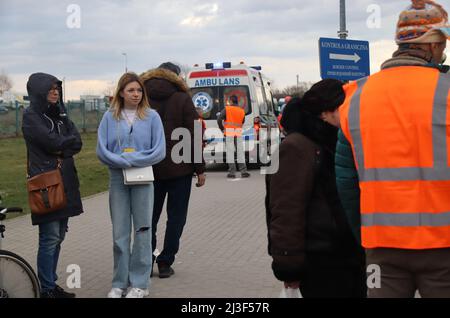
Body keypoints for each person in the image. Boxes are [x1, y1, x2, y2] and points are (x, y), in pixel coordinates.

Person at [336, 0, 450, 298]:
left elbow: (346, 181)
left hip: (381, 248)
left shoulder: (355, 98)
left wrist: (364, 237)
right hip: (443, 247)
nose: (444, 51)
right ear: (430, 44)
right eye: (442, 43)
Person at [266, 79, 366, 298]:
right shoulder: (297, 147)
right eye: (344, 108)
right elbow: (286, 212)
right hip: (319, 260)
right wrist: (289, 266)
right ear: (325, 113)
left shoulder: (336, 142)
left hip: (347, 256)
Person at [97, 72, 166, 298]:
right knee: (120, 233)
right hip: (118, 179)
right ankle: (119, 282)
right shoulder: (109, 117)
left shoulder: (152, 117)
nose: (136, 94)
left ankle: (140, 284)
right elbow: (102, 150)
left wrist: (132, 159)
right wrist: (122, 161)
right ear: (121, 93)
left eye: (139, 90)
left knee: (143, 230)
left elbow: (158, 151)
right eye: (131, 90)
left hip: (143, 178)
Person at [140, 62, 206, 278]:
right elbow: (194, 135)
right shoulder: (182, 98)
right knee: (176, 217)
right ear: (176, 77)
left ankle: (146, 259)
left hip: (149, 168)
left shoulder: (141, 96)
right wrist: (200, 169)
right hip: (180, 170)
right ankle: (165, 262)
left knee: (148, 217)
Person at [22, 72, 83, 298]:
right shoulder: (31, 116)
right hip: (46, 184)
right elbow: (51, 142)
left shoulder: (60, 115)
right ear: (39, 92)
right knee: (49, 238)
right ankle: (46, 289)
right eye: (50, 89)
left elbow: (77, 142)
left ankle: (51, 284)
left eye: (57, 88)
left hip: (65, 181)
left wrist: (62, 143)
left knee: (59, 236)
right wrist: (62, 145)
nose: (56, 92)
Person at [217, 95, 250, 179]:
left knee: (230, 152)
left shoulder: (227, 109)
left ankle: (232, 172)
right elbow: (242, 121)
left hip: (229, 132)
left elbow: (219, 119)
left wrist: (222, 128)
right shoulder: (242, 111)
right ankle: (244, 172)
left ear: (231, 101)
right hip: (238, 132)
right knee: (240, 152)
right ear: (237, 101)